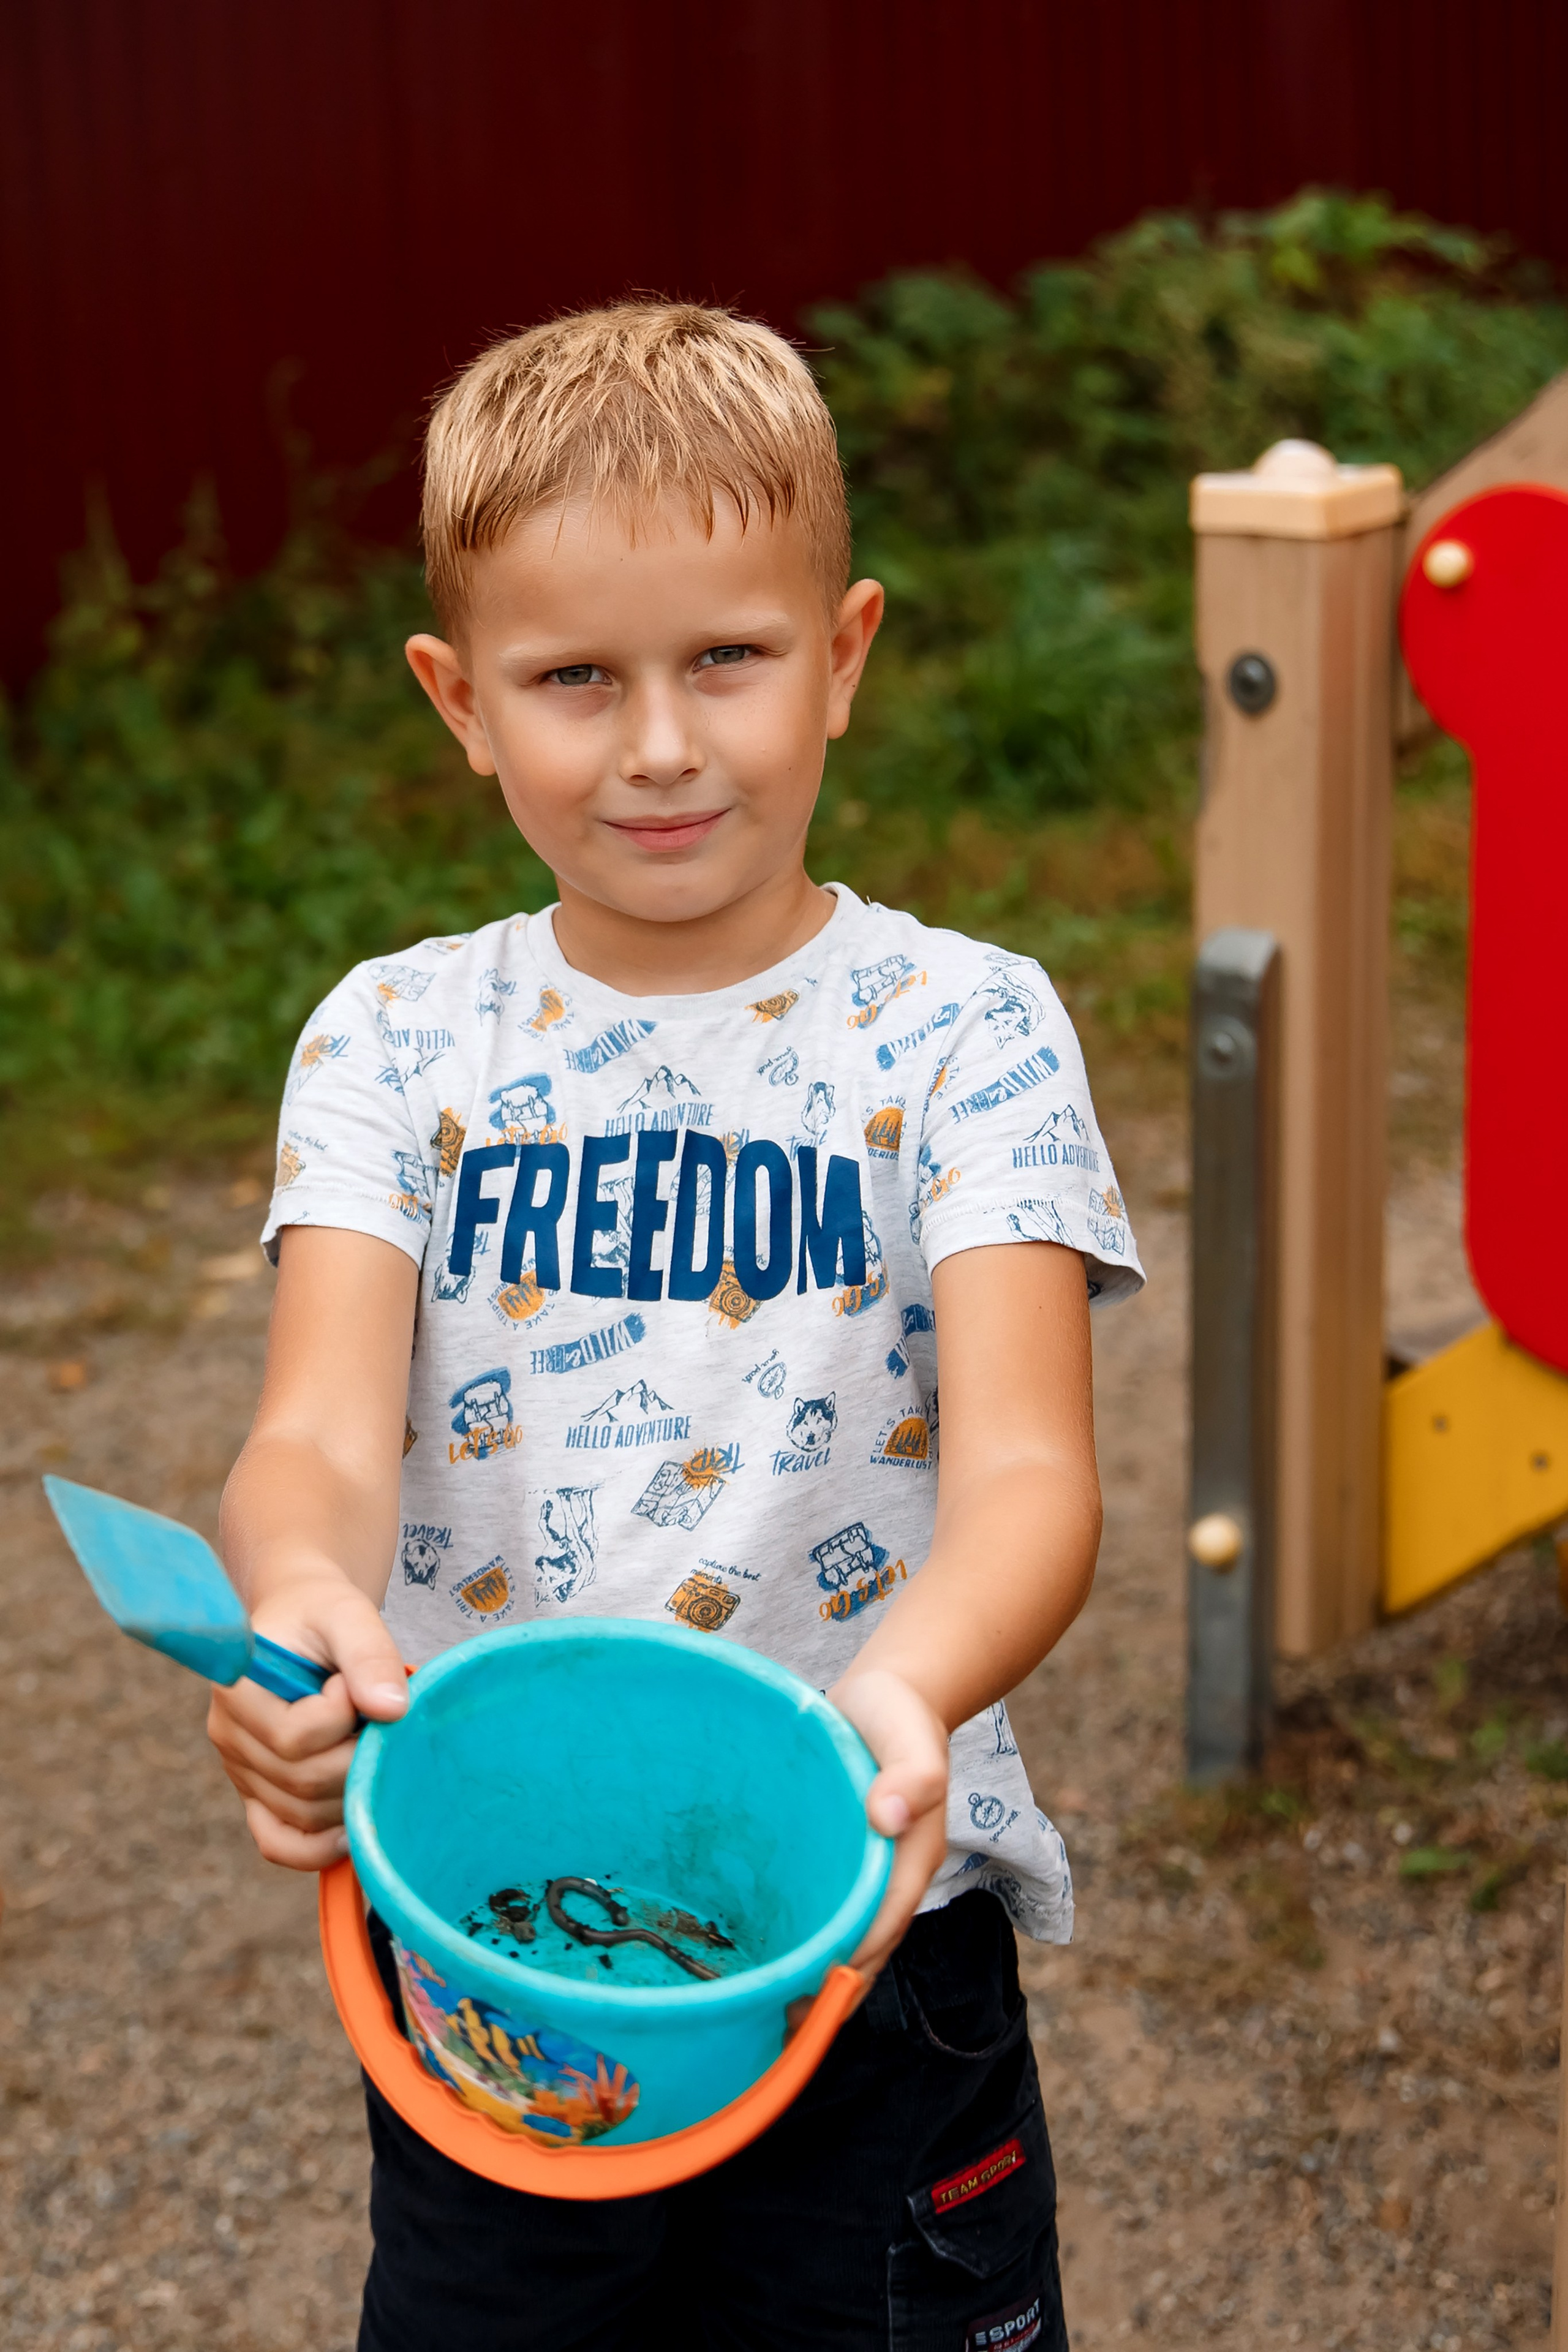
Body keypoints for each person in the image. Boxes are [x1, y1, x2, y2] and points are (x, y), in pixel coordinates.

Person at [208, 301, 1143, 2351]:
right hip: (493, 1946)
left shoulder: (965, 1028)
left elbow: (1027, 1475)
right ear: (460, 701)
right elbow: (321, 1439)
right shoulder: (393, 1037)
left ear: (846, 656)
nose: (657, 742)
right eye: (572, 680)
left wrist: (901, 1703)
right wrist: (295, 1609)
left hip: (872, 1929)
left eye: (727, 655)